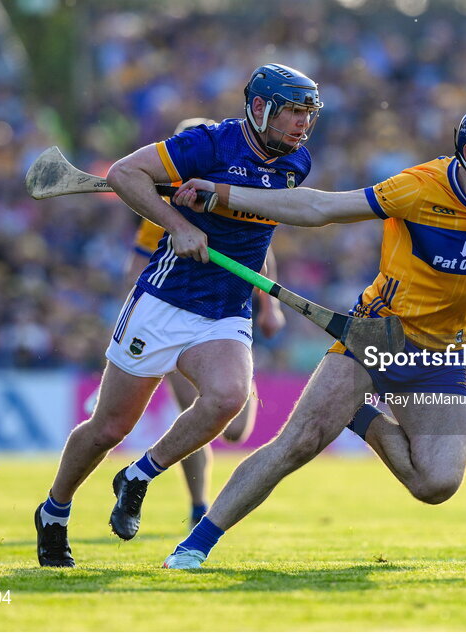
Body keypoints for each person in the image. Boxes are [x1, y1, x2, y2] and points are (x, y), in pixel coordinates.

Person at [161, 107, 466, 568]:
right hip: (378, 334)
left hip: (442, 354)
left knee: (436, 484)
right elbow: (321, 208)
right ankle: (195, 546)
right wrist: (222, 195)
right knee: (298, 443)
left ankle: (356, 415)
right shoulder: (418, 187)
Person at [34, 63, 321, 567]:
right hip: (165, 300)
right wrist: (178, 223)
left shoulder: (296, 164)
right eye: (293, 112)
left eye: (307, 113)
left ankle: (140, 475)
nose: (302, 124)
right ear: (259, 108)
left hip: (225, 310)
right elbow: (124, 173)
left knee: (229, 398)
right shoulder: (207, 145)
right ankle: (54, 511)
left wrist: (262, 292)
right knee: (108, 428)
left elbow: (260, 228)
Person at [98, 117, 287, 526]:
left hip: (224, 317)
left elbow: (262, 254)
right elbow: (136, 266)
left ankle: (235, 380)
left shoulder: (237, 194)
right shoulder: (160, 213)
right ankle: (198, 505)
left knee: (235, 430)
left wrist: (270, 307)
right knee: (192, 411)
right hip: (176, 314)